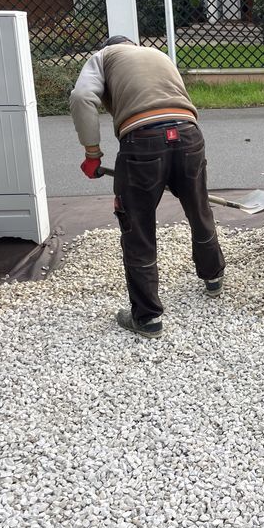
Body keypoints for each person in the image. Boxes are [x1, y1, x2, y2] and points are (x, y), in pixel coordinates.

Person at [70, 36, 225, 339]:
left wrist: (92, 153)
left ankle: (147, 317)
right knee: (198, 206)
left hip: (142, 140)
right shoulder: (158, 55)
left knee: (137, 225)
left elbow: (81, 98)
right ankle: (213, 276)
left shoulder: (103, 57)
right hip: (188, 132)